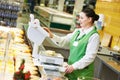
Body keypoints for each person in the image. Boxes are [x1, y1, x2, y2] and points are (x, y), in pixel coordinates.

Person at [44, 8, 100, 80]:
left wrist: (74, 66)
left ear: (89, 19)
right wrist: (51, 35)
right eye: (79, 17)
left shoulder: (94, 36)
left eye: (82, 18)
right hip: (71, 71)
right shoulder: (77, 32)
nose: (79, 20)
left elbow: (90, 57)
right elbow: (62, 41)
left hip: (82, 74)